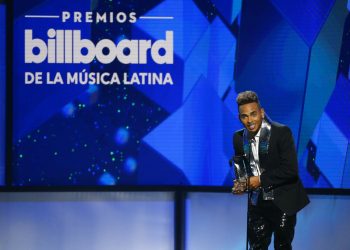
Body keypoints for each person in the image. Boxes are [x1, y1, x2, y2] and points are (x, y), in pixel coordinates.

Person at [232, 90, 309, 250]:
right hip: (257, 204)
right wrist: (242, 183)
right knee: (256, 246)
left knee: (282, 245)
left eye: (253, 114)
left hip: (283, 201)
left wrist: (259, 180)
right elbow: (242, 165)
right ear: (240, 118)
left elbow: (290, 170)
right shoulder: (239, 138)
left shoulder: (281, 133)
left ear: (262, 112)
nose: (249, 120)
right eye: (244, 116)